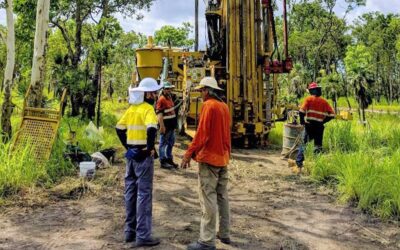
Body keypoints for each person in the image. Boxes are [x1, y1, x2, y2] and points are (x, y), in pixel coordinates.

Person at [181, 77, 231, 250]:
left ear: (208, 91)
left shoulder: (208, 106)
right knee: (222, 196)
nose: (200, 93)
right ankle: (224, 233)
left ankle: (207, 240)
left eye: (202, 90)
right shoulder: (224, 107)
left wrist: (188, 154)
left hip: (210, 159)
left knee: (208, 198)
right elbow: (226, 134)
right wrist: (227, 155)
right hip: (223, 158)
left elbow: (202, 134)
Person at [115, 77, 162, 247]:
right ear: (148, 94)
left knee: (130, 192)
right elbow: (151, 128)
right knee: (144, 194)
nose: (156, 95)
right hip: (143, 156)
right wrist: (149, 148)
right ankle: (143, 235)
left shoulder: (132, 109)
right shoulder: (148, 109)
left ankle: (129, 232)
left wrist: (128, 147)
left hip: (132, 156)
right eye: (154, 92)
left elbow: (119, 128)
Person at [290, 82, 335, 174]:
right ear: (318, 90)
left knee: (304, 144)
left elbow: (301, 111)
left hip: (309, 125)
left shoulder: (308, 99)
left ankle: (299, 165)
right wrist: (323, 121)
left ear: (311, 91)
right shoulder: (324, 101)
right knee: (318, 146)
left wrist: (303, 122)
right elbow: (332, 115)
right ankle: (317, 165)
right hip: (319, 126)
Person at [156, 81, 178, 169]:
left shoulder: (169, 98)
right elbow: (160, 114)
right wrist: (162, 126)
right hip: (166, 126)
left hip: (171, 126)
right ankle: (163, 161)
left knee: (171, 142)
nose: (169, 90)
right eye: (167, 89)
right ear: (163, 89)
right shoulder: (161, 99)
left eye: (170, 89)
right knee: (163, 143)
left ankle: (169, 159)